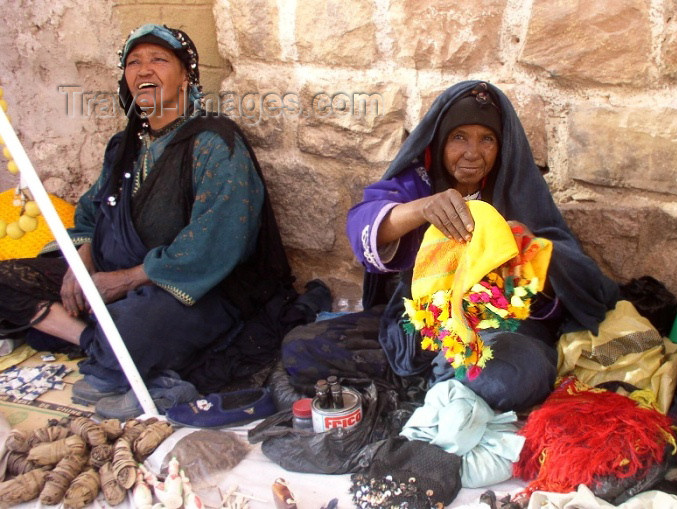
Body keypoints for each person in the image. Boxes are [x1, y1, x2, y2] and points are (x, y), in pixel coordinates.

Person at [0, 24, 298, 415]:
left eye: (159, 60)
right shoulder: (124, 146)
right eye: (133, 62)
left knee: (132, 329)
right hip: (108, 273)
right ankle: (93, 340)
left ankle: (104, 345)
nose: (144, 71)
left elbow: (216, 242)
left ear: (186, 76)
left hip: (191, 288)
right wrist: (80, 263)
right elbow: (91, 211)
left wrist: (123, 281)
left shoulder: (215, 143)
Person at [282, 81, 619, 411]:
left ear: (501, 146)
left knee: (512, 376)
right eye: (459, 137)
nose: (473, 153)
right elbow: (363, 225)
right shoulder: (419, 183)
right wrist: (422, 208)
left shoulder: (517, 191)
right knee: (303, 347)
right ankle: (446, 379)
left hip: (500, 332)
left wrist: (530, 251)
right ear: (439, 142)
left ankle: (438, 382)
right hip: (419, 327)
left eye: (487, 139)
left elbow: (584, 282)